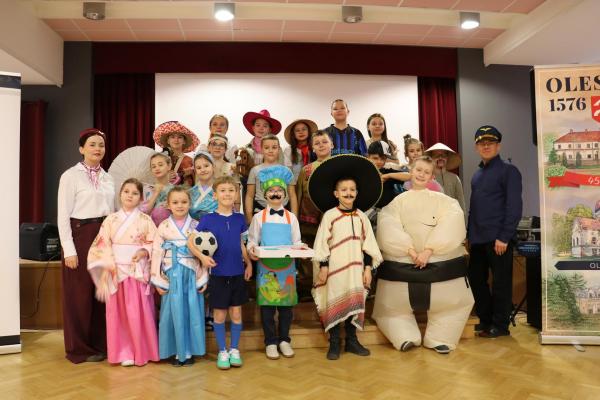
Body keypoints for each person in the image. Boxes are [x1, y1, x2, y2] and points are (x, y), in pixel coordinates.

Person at [372, 156, 474, 354]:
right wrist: (409, 250)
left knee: (450, 308)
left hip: (440, 271)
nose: (421, 174)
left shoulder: (446, 202)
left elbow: (453, 223)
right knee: (393, 311)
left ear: (432, 177)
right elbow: (388, 226)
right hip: (403, 268)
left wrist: (429, 250)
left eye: (426, 172)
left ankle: (441, 337)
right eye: (418, 170)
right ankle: (403, 333)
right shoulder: (396, 203)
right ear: (410, 171)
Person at [309, 155, 383, 360]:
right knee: (334, 300)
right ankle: (334, 342)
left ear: (357, 193)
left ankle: (352, 340)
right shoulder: (330, 216)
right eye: (344, 190)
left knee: (355, 302)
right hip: (335, 270)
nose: (348, 193)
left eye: (352, 189)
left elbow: (368, 246)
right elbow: (321, 244)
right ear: (336, 193)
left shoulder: (362, 217)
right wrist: (324, 267)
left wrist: (367, 269)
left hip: (356, 269)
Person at [57, 128, 115, 363]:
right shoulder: (70, 176)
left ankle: (101, 344)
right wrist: (68, 250)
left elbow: (113, 212)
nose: (97, 148)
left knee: (101, 292)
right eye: (92, 144)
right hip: (80, 235)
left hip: (104, 235)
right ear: (81, 148)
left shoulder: (108, 178)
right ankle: (79, 349)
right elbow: (63, 215)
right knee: (78, 294)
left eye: (101, 144)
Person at [87, 178, 159, 366]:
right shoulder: (110, 220)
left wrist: (144, 251)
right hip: (116, 271)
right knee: (118, 313)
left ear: (141, 198)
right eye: (126, 192)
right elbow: (101, 245)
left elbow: (155, 243)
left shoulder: (145, 220)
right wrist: (110, 263)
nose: (130, 196)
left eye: (135, 193)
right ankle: (123, 353)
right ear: (120, 194)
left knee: (139, 312)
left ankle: (142, 350)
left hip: (137, 270)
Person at [192, 176, 253, 370]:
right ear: (215, 195)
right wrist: (202, 258)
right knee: (219, 315)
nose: (227, 194)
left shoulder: (239, 219)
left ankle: (234, 349)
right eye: (223, 190)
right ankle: (222, 351)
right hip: (218, 275)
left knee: (236, 313)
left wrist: (248, 264)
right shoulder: (207, 219)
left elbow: (241, 243)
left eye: (231, 190)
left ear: (236, 194)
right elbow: (191, 241)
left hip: (237, 274)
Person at [467, 125, 522, 338]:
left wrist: (504, 236)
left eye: (490, 142)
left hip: (499, 239)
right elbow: (474, 209)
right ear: (476, 147)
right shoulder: (476, 175)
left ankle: (500, 325)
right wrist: (470, 235)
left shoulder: (509, 171)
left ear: (498, 146)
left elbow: (514, 207)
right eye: (482, 143)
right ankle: (486, 319)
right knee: (476, 279)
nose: (486, 146)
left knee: (501, 283)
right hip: (478, 239)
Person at [247, 166, 304, 360]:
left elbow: (297, 241)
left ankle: (284, 340)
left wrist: (302, 248)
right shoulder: (258, 217)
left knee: (287, 308)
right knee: (267, 308)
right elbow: (252, 241)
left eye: (279, 190)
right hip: (266, 269)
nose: (275, 193)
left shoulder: (291, 217)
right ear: (265, 195)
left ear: (285, 194)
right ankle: (270, 342)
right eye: (271, 190)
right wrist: (252, 250)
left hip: (287, 269)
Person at [151, 187, 208, 366]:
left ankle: (189, 351)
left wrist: (203, 276)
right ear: (168, 205)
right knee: (172, 313)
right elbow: (156, 252)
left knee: (191, 312)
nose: (180, 205)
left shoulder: (196, 226)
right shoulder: (164, 226)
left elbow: (204, 252)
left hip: (191, 273)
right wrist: (157, 279)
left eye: (184, 202)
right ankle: (176, 351)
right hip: (171, 273)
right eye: (175, 202)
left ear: (190, 204)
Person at [295, 130, 333, 293]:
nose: (321, 145)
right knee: (308, 252)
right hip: (309, 219)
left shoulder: (339, 165)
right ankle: (306, 287)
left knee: (332, 250)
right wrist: (296, 219)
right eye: (317, 143)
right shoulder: (306, 170)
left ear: (332, 144)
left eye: (324, 142)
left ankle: (331, 286)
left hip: (332, 218)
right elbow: (299, 195)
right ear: (312, 148)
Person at [244, 134, 298, 224]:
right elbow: (249, 195)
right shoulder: (255, 170)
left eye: (274, 147)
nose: (270, 150)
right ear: (261, 149)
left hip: (284, 213)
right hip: (260, 212)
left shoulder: (287, 171)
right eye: (266, 147)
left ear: (279, 149)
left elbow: (292, 195)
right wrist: (249, 218)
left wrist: (294, 218)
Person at [153, 121, 200, 187]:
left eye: (180, 137)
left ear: (184, 141)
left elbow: (193, 184)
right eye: (172, 137)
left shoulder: (190, 161)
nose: (176, 140)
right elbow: (153, 180)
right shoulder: (159, 159)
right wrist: (164, 178)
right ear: (168, 140)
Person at [424, 142, 466, 212]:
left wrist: (463, 216)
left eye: (443, 156)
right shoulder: (426, 178)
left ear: (447, 158)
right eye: (437, 156)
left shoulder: (454, 178)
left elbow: (461, 201)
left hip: (452, 215)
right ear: (431, 159)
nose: (440, 158)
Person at [141, 152, 174, 226]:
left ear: (169, 166)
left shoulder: (174, 189)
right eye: (153, 166)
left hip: (170, 227)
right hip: (151, 227)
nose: (157, 168)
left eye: (160, 165)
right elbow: (145, 213)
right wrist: (156, 193)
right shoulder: (147, 189)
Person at [189, 152, 218, 221]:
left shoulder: (223, 190)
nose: (203, 170)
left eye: (206, 166)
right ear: (195, 171)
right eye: (199, 168)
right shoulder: (190, 192)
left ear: (213, 166)